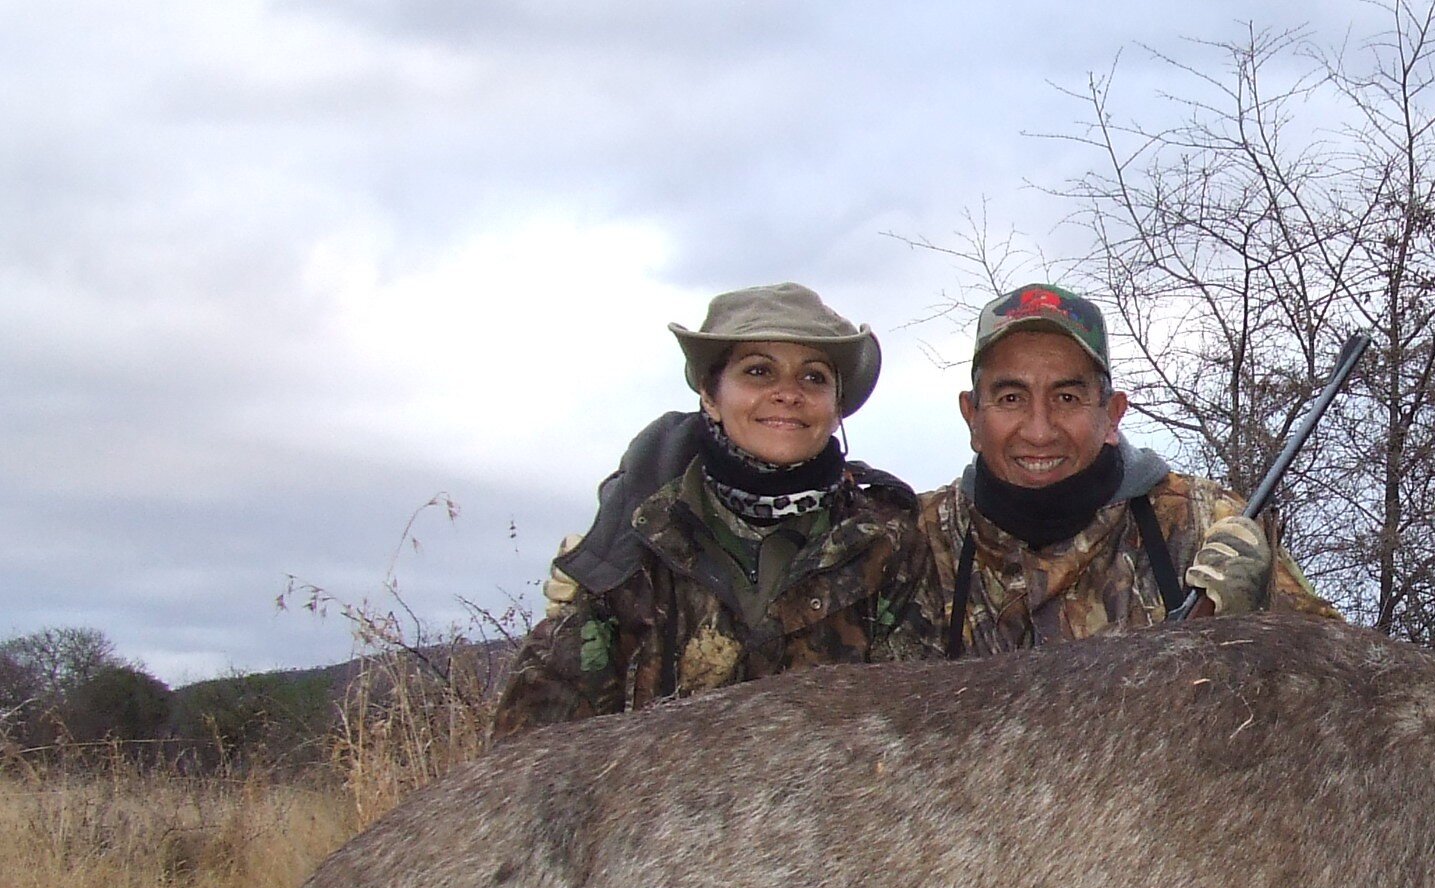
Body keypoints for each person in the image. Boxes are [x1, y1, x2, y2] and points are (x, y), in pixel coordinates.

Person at [490, 284, 937, 736]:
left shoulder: (886, 540)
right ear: (710, 394)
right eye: (759, 372)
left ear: (836, 406)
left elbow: (920, 721)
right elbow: (534, 747)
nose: (788, 393)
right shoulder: (630, 543)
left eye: (814, 377)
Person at [923, 283, 1333, 657]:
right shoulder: (914, 542)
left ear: (1113, 416)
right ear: (971, 415)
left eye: (1066, 397)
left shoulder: (1210, 524)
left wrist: (1263, 631)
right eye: (1011, 398)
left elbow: (1344, 688)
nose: (1039, 430)